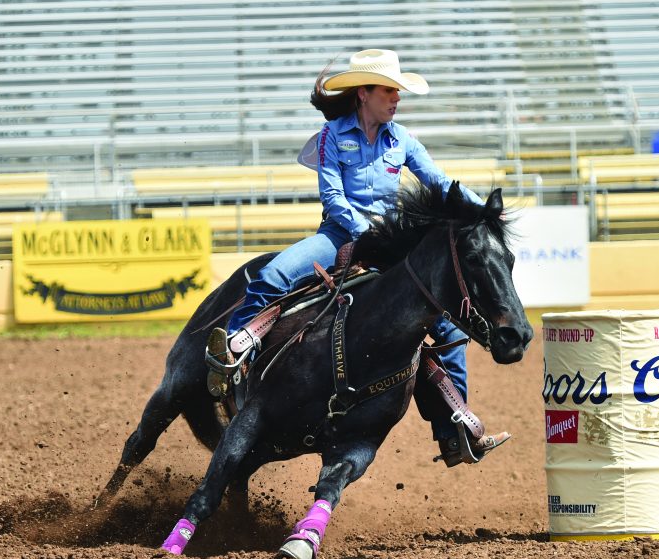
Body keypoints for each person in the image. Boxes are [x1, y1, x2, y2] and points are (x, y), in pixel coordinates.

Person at [206, 48, 509, 459]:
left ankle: (454, 431)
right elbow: (333, 197)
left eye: (397, 91)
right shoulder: (332, 135)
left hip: (391, 246)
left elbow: (440, 183)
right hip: (338, 235)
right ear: (364, 93)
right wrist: (367, 232)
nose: (396, 98)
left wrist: (483, 210)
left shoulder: (402, 140)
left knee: (450, 333)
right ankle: (232, 358)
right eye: (389, 90)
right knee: (273, 275)